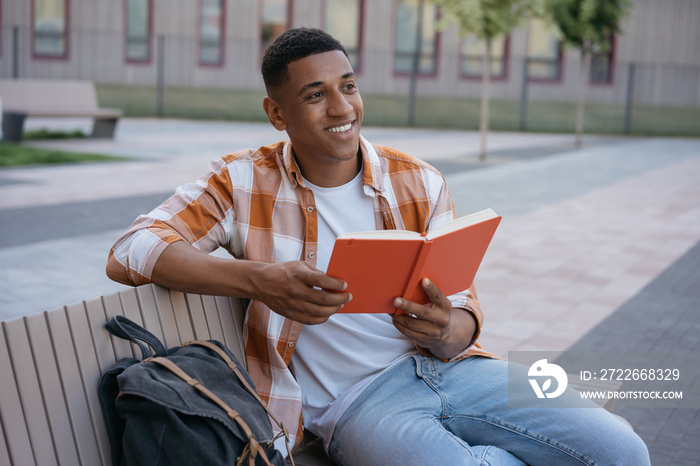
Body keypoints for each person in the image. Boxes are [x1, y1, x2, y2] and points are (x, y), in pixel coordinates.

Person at [107, 27, 650, 465]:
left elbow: (465, 319)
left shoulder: (420, 181)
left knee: (623, 448)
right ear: (277, 114)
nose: (342, 108)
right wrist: (258, 280)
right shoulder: (240, 181)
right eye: (315, 95)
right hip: (359, 404)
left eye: (348, 85)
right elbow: (130, 250)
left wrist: (445, 328)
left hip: (459, 370)